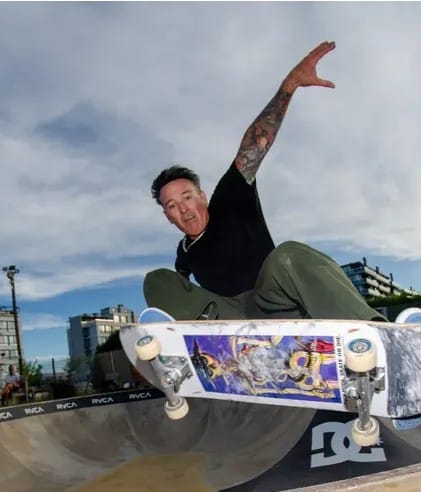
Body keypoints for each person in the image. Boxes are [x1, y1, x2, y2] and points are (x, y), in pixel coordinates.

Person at [144, 41, 387, 323]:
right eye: (172, 205)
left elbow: (255, 145)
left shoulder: (229, 198)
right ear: (168, 216)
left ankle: (367, 329)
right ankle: (200, 338)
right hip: (230, 320)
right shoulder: (184, 253)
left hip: (273, 302)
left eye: (187, 197)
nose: (184, 209)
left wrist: (289, 87)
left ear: (203, 196)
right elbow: (180, 286)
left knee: (288, 255)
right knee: (156, 280)